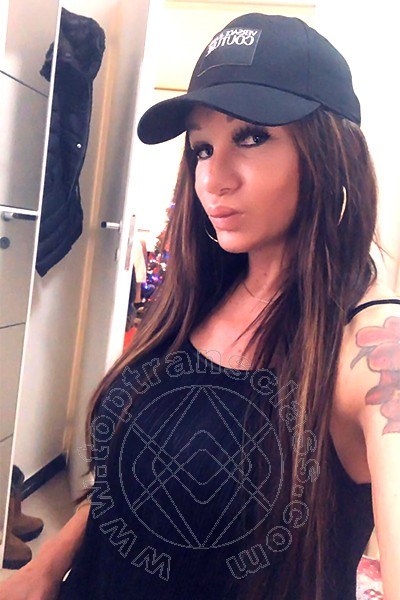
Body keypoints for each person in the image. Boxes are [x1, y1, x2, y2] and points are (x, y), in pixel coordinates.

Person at [1, 12, 400, 600]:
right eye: (202, 148)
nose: (212, 179)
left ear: (330, 150)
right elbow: (137, 477)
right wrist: (45, 568)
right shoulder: (200, 293)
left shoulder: (372, 346)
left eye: (252, 136)